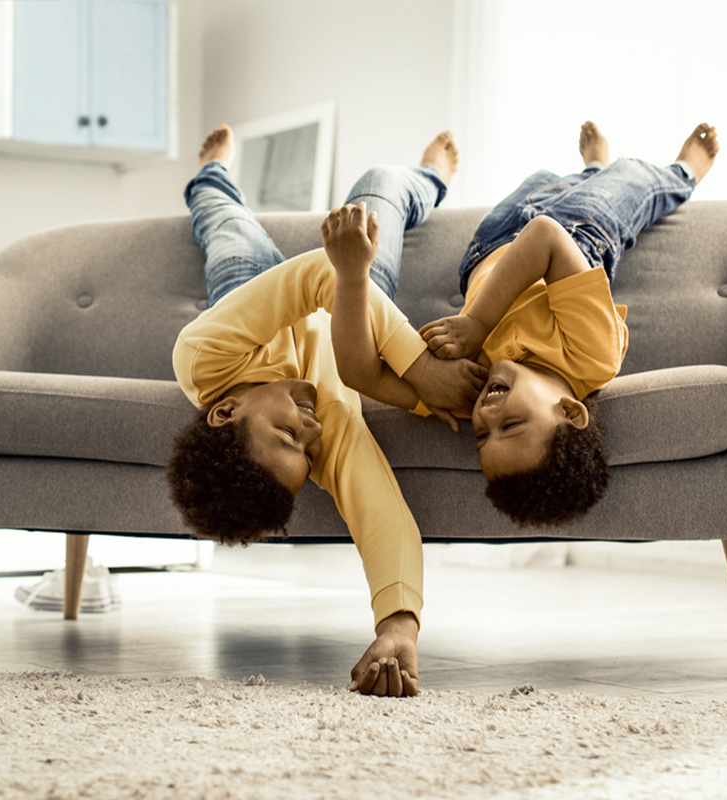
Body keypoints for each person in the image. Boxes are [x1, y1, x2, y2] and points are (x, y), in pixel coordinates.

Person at [167, 124, 487, 697]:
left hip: (251, 293)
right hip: (354, 305)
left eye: (288, 434)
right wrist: (399, 627)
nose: (312, 428)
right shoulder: (323, 429)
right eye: (306, 448)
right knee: (378, 189)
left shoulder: (201, 354)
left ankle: (211, 174)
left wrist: (422, 371)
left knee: (226, 222)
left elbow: (316, 272)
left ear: (225, 412)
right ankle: (425, 175)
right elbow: (381, 513)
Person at [417, 121, 720, 526]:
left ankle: (592, 167)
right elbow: (544, 236)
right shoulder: (590, 355)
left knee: (545, 179)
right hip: (580, 229)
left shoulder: (475, 381)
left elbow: (385, 371)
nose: (486, 415)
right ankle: (683, 173)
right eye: (511, 424)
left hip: (487, 246)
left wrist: (425, 377)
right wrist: (475, 323)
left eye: (482, 437)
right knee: (631, 179)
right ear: (570, 411)